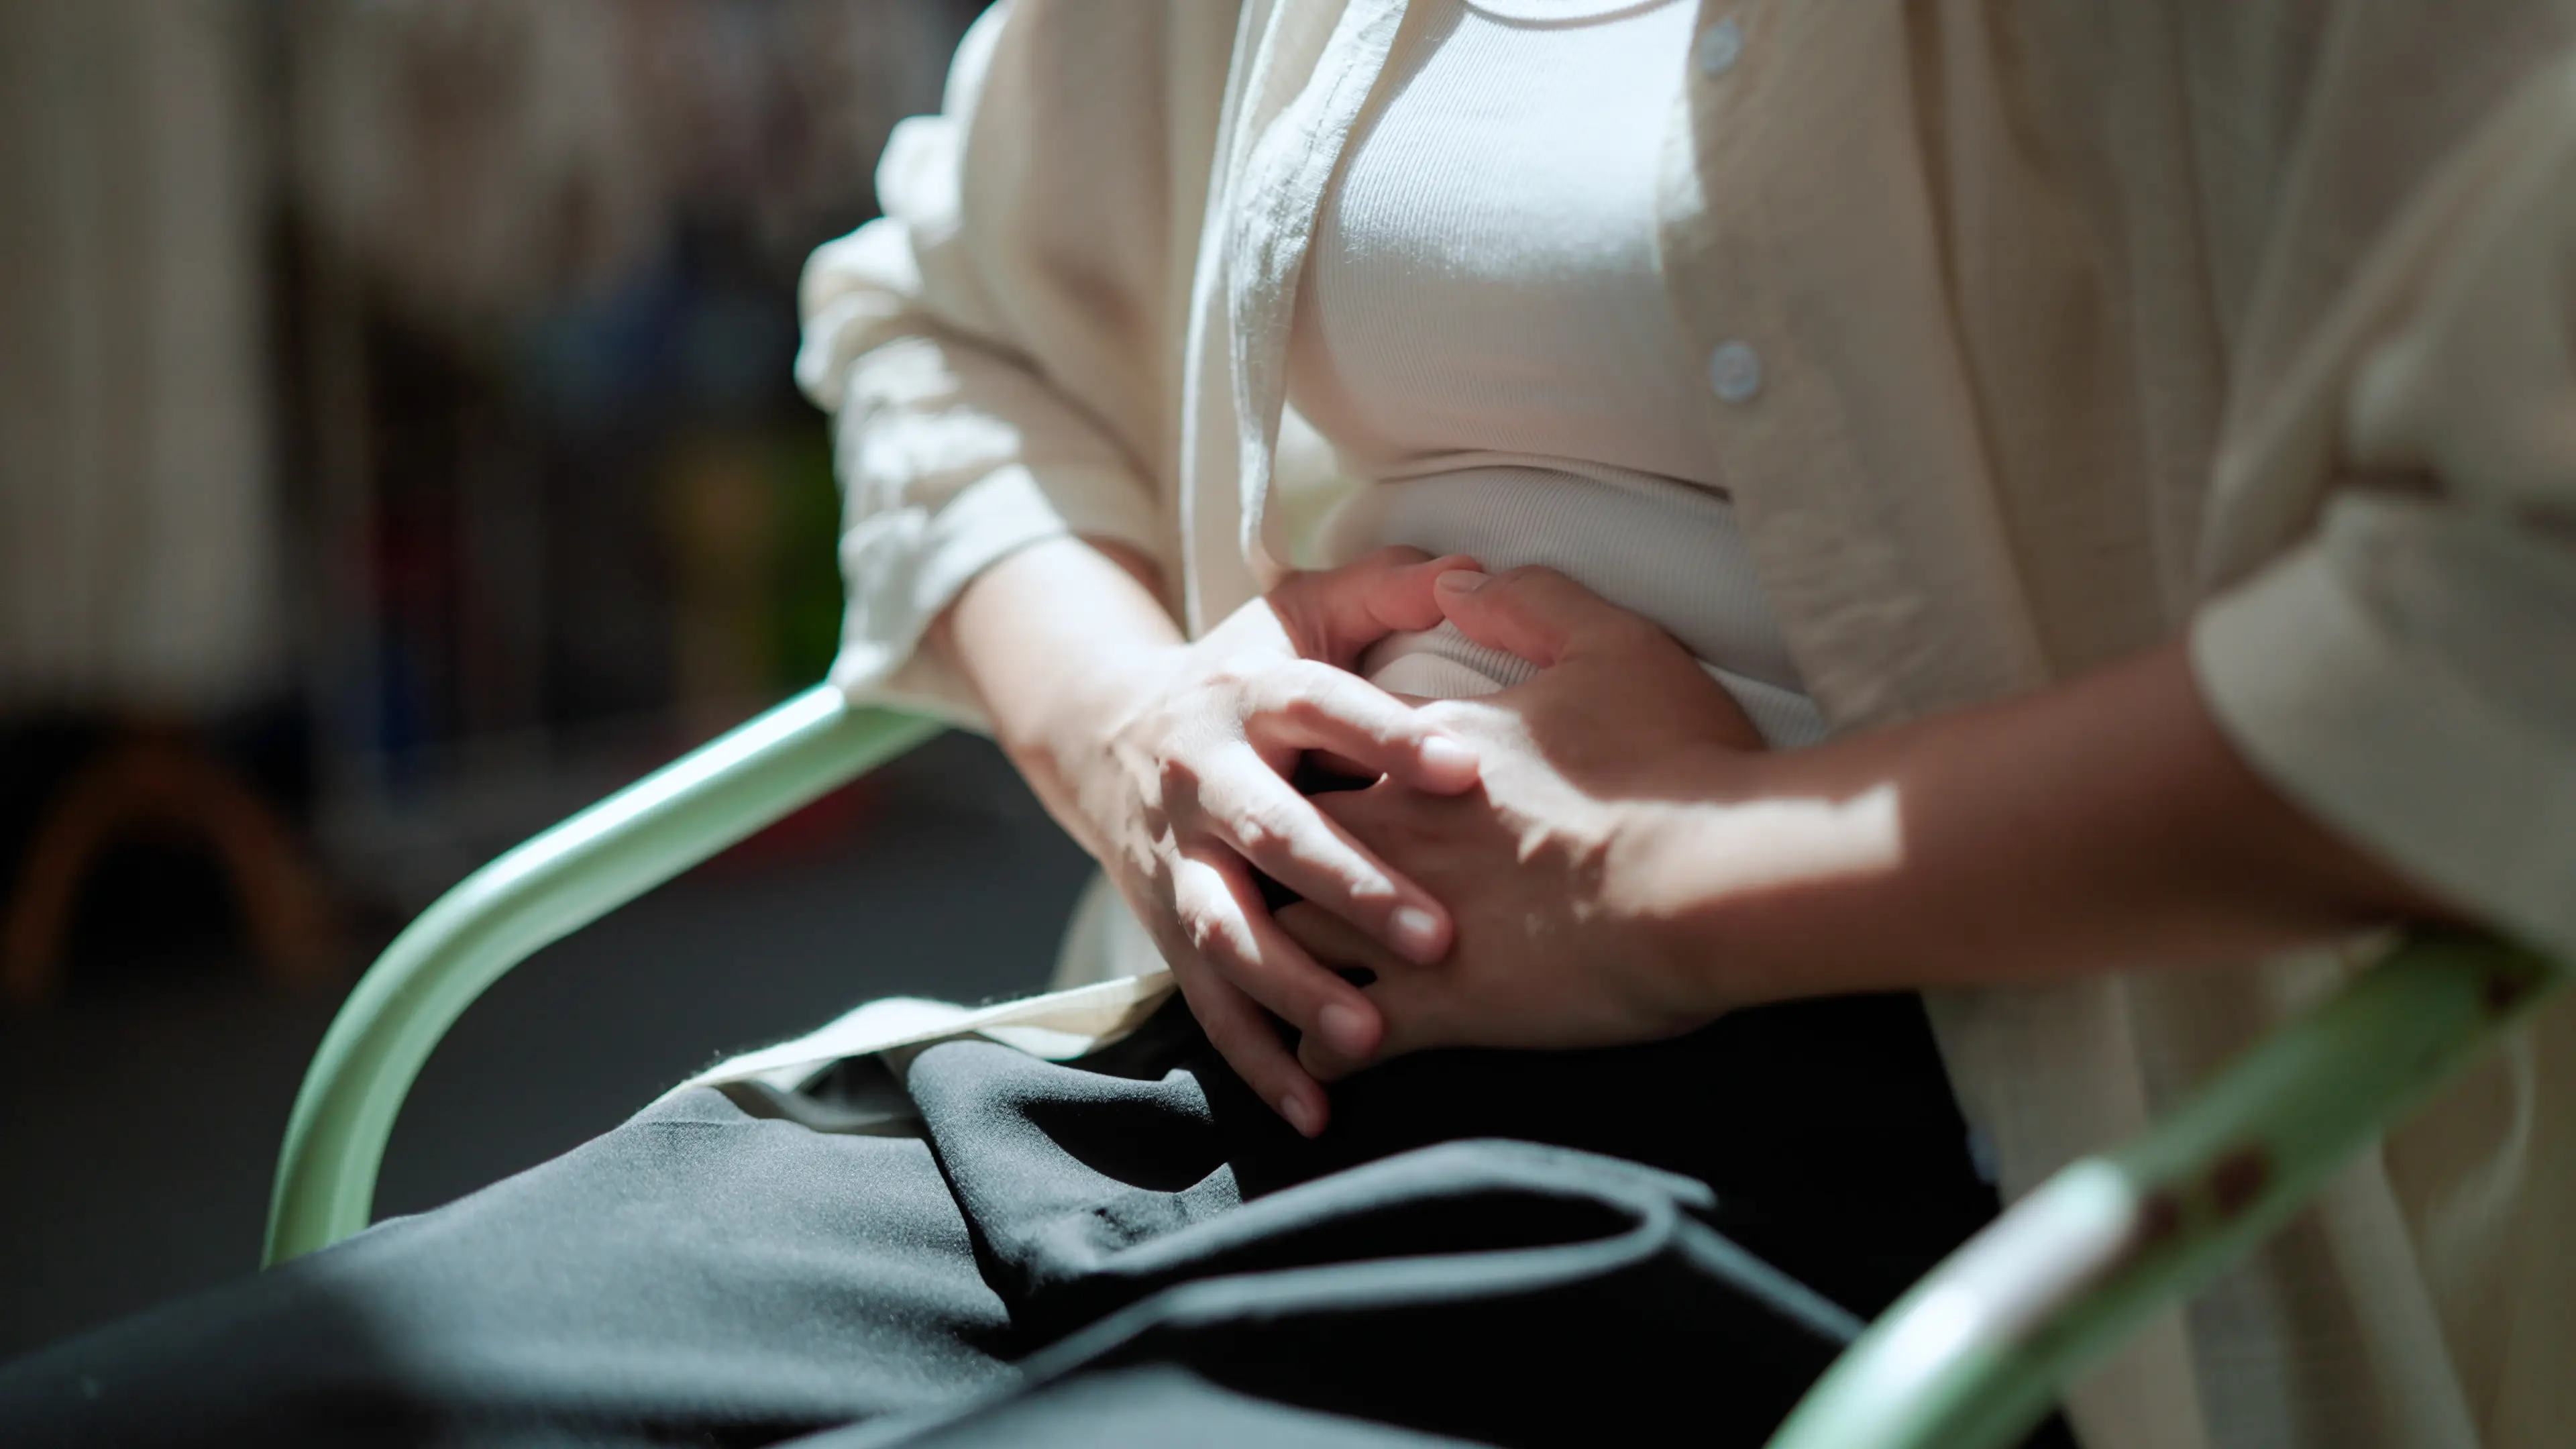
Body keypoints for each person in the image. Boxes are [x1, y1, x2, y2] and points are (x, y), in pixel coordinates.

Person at [6, 2, 2573, 1446]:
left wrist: (1673, 883)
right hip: (1208, 1101)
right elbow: (946, 326)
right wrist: (1137, 729)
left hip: (1924, 1193)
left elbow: (2512, 613)